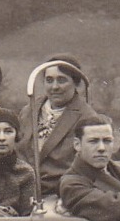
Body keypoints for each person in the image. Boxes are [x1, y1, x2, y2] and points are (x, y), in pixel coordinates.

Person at [21, 55, 98, 201]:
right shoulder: (29, 110)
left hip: (59, 196)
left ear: (76, 83)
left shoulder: (87, 117)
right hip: (22, 193)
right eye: (49, 80)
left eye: (62, 80)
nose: (55, 87)